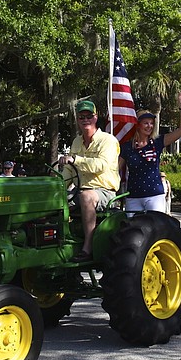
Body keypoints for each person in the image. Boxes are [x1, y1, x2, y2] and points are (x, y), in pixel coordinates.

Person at [58, 99, 120, 262]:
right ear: (77, 119)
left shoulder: (108, 140)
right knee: (54, 201)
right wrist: (57, 189)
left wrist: (75, 160)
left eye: (89, 116)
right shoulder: (77, 141)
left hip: (104, 192)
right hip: (79, 191)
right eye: (81, 117)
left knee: (87, 196)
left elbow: (101, 165)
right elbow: (69, 171)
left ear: (95, 117)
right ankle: (60, 245)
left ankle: (88, 246)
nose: (85, 120)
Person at [119, 87, 181, 214]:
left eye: (151, 123)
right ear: (138, 125)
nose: (149, 126)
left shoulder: (157, 142)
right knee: (134, 231)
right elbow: (115, 169)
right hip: (133, 196)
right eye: (146, 123)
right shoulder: (127, 147)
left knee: (156, 230)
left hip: (155, 195)